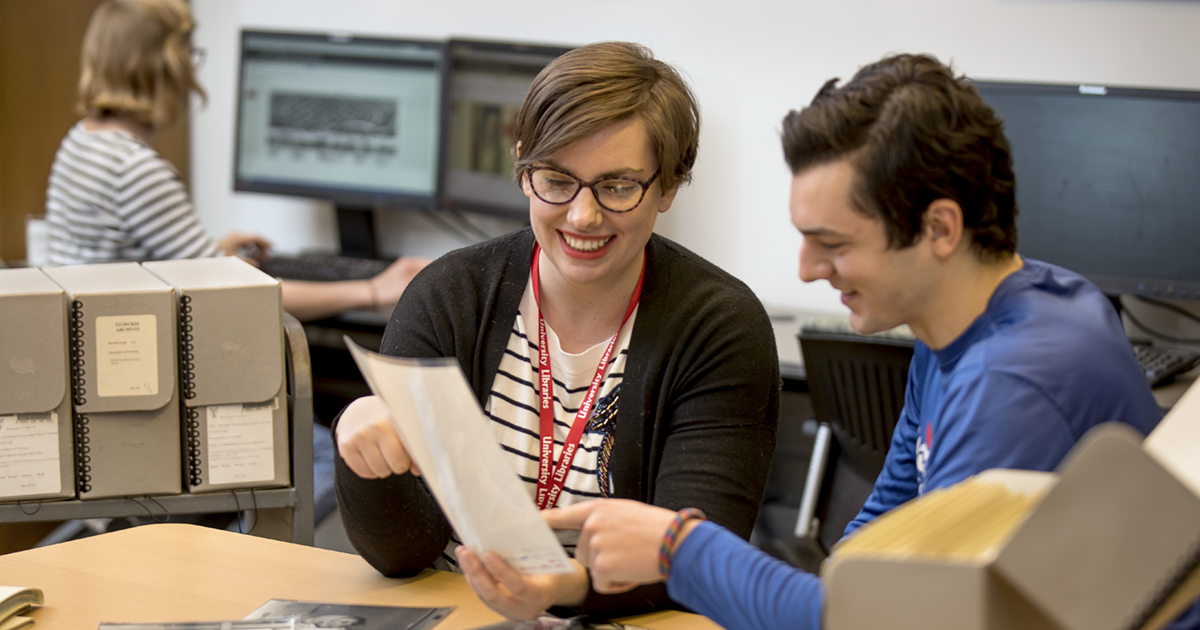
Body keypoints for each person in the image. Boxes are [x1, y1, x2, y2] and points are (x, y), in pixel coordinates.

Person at [542, 52, 1195, 630]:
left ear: (940, 229)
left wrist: (678, 550)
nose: (807, 270)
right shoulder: (979, 316)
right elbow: (880, 536)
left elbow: (894, 619)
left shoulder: (1012, 387)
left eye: (833, 243)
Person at [333, 41, 780, 620]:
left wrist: (564, 590)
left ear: (668, 186)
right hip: (456, 612)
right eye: (556, 179)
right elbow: (401, 553)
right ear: (524, 168)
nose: (582, 216)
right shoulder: (451, 294)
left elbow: (697, 563)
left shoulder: (719, 327)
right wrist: (362, 449)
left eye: (618, 186)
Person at [44, 0, 431, 323]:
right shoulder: (135, 169)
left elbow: (118, 259)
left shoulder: (80, 140)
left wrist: (211, 254)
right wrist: (372, 289)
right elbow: (238, 295)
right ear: (168, 67)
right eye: (189, 55)